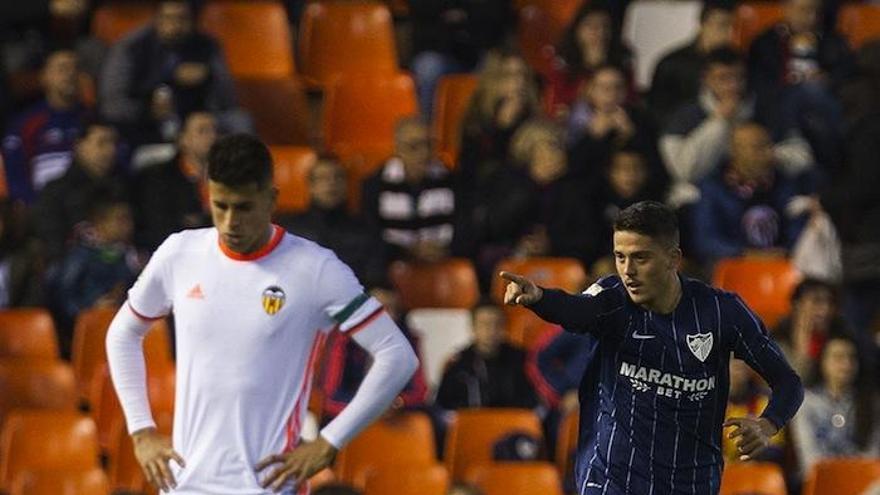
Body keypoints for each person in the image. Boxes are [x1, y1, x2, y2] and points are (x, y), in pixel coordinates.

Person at [105, 134, 419, 493]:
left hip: (268, 486)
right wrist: (141, 430)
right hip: (185, 485)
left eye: (243, 207)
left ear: (271, 200)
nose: (229, 222)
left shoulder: (316, 269)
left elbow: (398, 356)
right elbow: (123, 333)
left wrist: (329, 441)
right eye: (219, 205)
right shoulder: (179, 253)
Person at [499, 200, 803, 494]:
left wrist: (768, 423)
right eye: (620, 257)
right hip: (612, 479)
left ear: (673, 258)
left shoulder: (722, 312)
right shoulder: (611, 298)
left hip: (690, 482)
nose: (627, 270)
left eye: (640, 258)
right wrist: (540, 298)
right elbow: (578, 311)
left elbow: (787, 381)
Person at [99, 0, 251, 145]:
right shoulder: (132, 47)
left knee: (240, 121)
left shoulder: (207, 46)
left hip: (198, 122)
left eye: (182, 19)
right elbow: (112, 105)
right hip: (145, 123)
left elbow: (228, 100)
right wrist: (148, 109)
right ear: (156, 18)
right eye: (169, 18)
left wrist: (208, 77)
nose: (175, 26)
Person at [692, 122, 810, 263]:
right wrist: (746, 255)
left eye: (769, 145)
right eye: (758, 148)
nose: (768, 153)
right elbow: (705, 241)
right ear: (735, 152)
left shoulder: (786, 186)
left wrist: (785, 252)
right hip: (733, 269)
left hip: (780, 265)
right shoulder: (713, 188)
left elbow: (799, 231)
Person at [361, 116, 460, 264]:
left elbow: (464, 228)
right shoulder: (376, 184)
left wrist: (446, 248)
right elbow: (371, 235)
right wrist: (408, 250)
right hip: (393, 266)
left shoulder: (452, 181)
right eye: (414, 146)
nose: (424, 153)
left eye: (429, 145)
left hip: (443, 261)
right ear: (398, 149)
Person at [280, 155, 387, 289]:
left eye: (338, 177)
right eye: (323, 178)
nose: (332, 183)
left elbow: (376, 278)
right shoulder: (291, 231)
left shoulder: (366, 228)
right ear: (311, 186)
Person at [2, 48, 91, 203]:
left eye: (75, 68)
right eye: (62, 69)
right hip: (43, 209)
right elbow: (15, 176)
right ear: (44, 77)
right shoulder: (26, 123)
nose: (70, 74)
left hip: (89, 207)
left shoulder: (94, 119)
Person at [32, 119, 124, 261]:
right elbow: (52, 244)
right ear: (79, 146)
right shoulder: (55, 192)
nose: (110, 150)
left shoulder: (122, 188)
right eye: (102, 143)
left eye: (113, 144)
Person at [791, 335, 879, 473]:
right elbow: (809, 460)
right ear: (822, 362)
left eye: (852, 358)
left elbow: (873, 456)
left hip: (862, 481)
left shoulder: (870, 402)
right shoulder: (806, 403)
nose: (846, 364)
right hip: (821, 481)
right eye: (838, 357)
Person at [130, 111, 215, 251]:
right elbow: (159, 226)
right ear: (183, 139)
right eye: (202, 131)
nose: (212, 137)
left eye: (214, 130)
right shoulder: (160, 177)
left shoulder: (228, 176)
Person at [435, 299, 539, 411]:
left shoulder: (521, 359)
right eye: (484, 324)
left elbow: (533, 402)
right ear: (473, 327)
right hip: (470, 425)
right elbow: (443, 407)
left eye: (497, 324)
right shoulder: (458, 364)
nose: (491, 330)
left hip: (513, 424)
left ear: (504, 327)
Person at [649, 0, 735, 127]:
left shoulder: (738, 63)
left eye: (734, 26)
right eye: (722, 25)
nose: (729, 33)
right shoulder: (672, 64)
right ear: (702, 25)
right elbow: (658, 112)